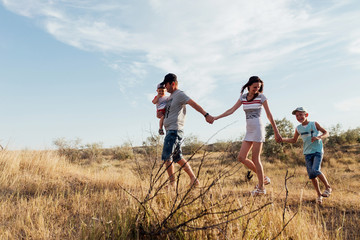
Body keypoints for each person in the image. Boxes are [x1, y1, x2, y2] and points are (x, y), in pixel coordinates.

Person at [213, 76, 281, 196]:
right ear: (249, 86)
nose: (256, 89)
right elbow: (231, 110)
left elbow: (269, 115)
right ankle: (263, 178)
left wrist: (276, 132)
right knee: (241, 157)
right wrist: (216, 117)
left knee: (255, 158)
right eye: (254, 87)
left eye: (258, 87)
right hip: (249, 130)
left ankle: (261, 188)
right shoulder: (243, 97)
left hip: (258, 129)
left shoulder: (261, 97)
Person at [160, 73, 214, 188]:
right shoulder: (170, 97)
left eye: (166, 84)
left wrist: (206, 114)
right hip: (170, 129)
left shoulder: (180, 94)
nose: (165, 87)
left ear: (173, 83)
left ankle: (172, 183)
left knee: (167, 156)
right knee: (177, 157)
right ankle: (194, 180)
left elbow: (193, 104)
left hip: (174, 130)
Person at [280, 107, 332, 204]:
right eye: (297, 116)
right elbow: (294, 140)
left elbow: (326, 133)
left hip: (317, 151)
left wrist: (319, 137)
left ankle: (328, 188)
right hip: (307, 153)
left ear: (306, 115)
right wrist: (282, 139)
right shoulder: (298, 128)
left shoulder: (314, 124)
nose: (299, 117)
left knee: (315, 170)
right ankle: (319, 195)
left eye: (301, 115)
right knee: (312, 176)